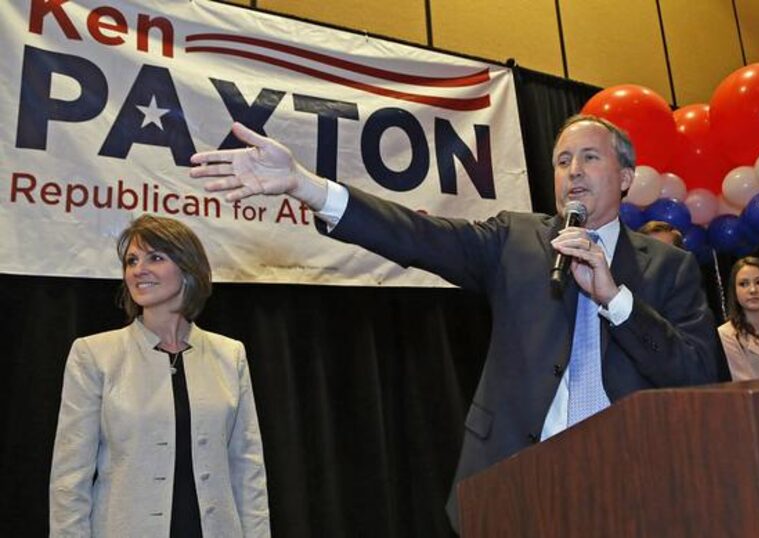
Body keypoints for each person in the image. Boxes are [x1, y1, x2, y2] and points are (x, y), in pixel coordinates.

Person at [190, 114, 721, 530]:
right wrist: (307, 187)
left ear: (625, 176)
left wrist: (616, 299)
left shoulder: (667, 266)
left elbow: (698, 374)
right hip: (515, 481)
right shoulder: (517, 240)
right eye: (562, 161)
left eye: (589, 157)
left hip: (628, 485)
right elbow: (418, 236)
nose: (573, 171)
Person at [49, 215, 271, 537]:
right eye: (132, 260)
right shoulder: (94, 354)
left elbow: (248, 470)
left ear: (188, 266)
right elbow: (70, 480)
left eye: (155, 257)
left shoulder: (229, 354)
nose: (139, 270)